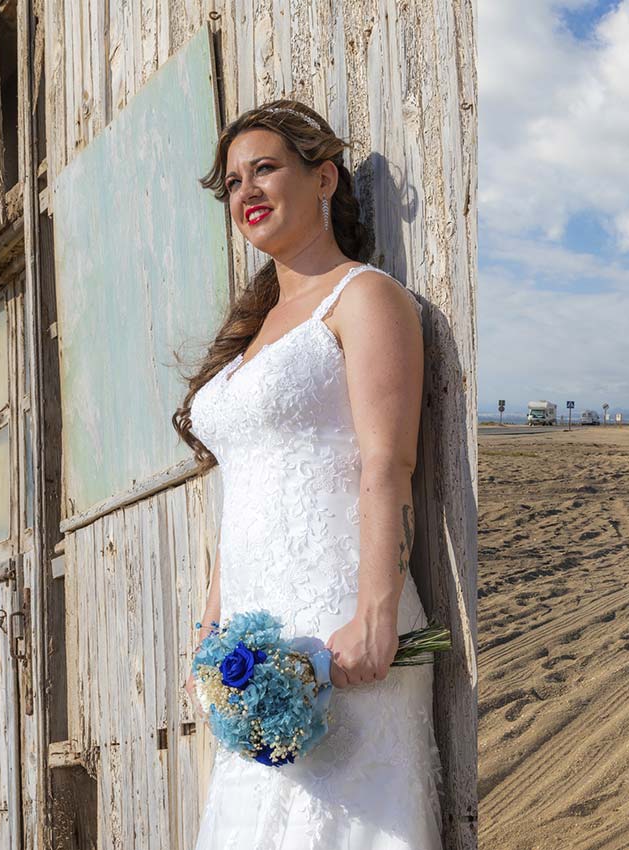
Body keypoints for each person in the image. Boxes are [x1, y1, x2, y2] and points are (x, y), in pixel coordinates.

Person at [172, 99, 440, 848]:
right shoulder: (251, 337)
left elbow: (390, 462)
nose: (246, 192)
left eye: (265, 169)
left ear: (323, 180)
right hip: (253, 640)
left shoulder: (366, 296)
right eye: (231, 182)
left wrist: (376, 610)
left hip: (341, 620)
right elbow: (245, 492)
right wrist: (209, 633)